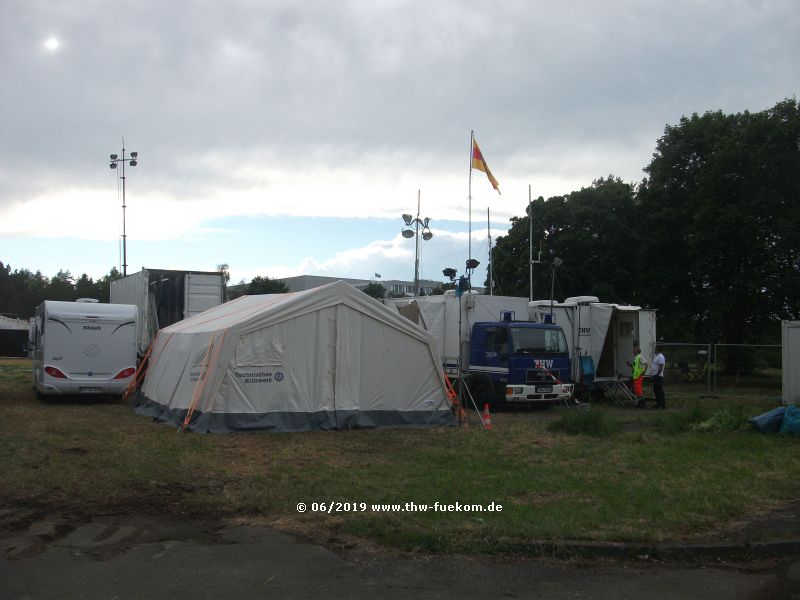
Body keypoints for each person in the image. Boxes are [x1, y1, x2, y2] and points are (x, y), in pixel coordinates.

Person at [650, 345, 666, 409]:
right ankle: (658, 404)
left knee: (659, 391)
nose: (654, 350)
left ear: (657, 349)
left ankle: (662, 405)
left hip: (658, 376)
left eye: (655, 349)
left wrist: (657, 375)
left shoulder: (661, 357)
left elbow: (661, 367)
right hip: (655, 376)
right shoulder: (657, 356)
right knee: (656, 391)